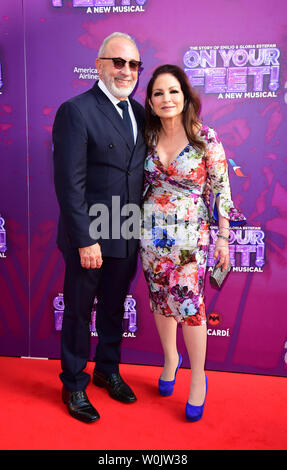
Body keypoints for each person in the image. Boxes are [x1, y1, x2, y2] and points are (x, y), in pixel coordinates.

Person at [140, 64, 245, 422]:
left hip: (190, 239)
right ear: (150, 102)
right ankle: (170, 358)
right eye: (158, 93)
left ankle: (198, 378)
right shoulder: (146, 136)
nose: (166, 98)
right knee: (159, 298)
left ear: (185, 97)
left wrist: (224, 238)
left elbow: (222, 191)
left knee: (189, 306)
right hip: (151, 236)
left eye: (173, 91)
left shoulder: (206, 138)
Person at [52, 32, 146, 423]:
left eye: (134, 65)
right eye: (118, 62)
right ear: (99, 65)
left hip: (127, 232)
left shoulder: (140, 113)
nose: (126, 71)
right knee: (78, 312)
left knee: (113, 308)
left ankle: (107, 369)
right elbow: (68, 184)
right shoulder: (76, 110)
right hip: (89, 237)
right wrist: (84, 239)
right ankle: (74, 384)